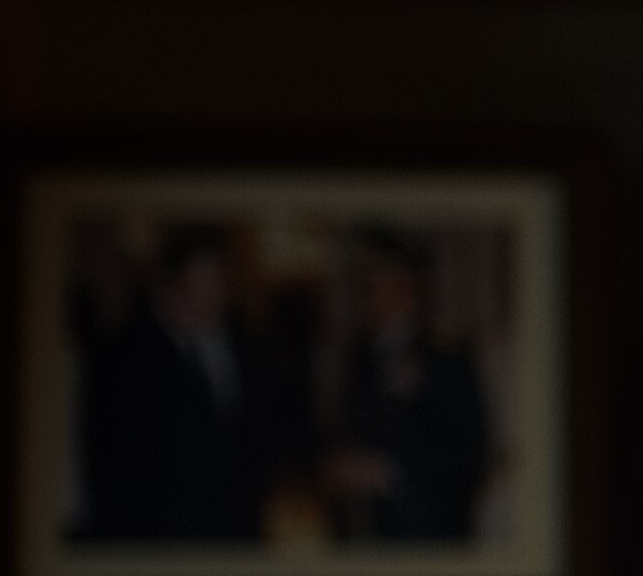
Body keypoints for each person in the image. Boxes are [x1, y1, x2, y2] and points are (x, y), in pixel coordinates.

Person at [74, 223, 274, 544]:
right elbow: (111, 462)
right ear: (174, 278)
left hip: (237, 537)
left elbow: (260, 437)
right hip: (157, 538)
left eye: (222, 273)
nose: (217, 287)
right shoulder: (124, 356)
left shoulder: (249, 347)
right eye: (205, 273)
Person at [320, 233, 495, 546]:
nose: (371, 291)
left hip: (430, 536)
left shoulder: (448, 359)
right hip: (364, 538)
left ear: (410, 287)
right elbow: (340, 434)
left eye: (382, 277)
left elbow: (470, 454)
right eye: (368, 281)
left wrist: (388, 473)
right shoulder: (356, 360)